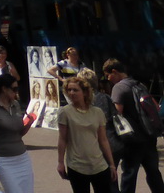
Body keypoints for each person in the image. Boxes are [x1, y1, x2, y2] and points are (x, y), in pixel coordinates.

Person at [103, 59, 164, 193]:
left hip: (133, 140)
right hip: (149, 136)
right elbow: (156, 106)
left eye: (108, 75)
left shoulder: (119, 88)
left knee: (129, 175)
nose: (108, 79)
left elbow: (116, 114)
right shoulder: (139, 84)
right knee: (153, 173)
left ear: (114, 71)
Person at [57, 76, 117, 193]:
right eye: (69, 90)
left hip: (98, 165)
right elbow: (62, 139)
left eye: (75, 90)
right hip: (77, 166)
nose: (72, 93)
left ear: (85, 92)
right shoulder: (65, 112)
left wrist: (112, 164)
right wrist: (60, 163)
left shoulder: (97, 112)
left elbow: (103, 140)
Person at [0, 73, 34, 193]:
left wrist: (29, 123)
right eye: (14, 89)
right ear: (4, 89)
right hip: (3, 160)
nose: (16, 92)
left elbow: (19, 133)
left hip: (22, 157)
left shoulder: (15, 105)